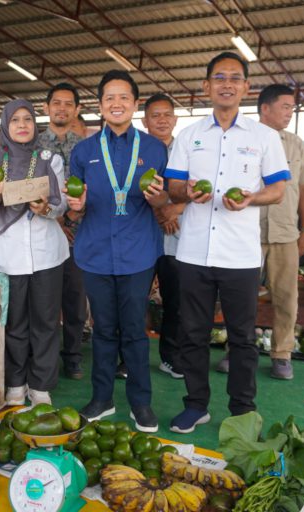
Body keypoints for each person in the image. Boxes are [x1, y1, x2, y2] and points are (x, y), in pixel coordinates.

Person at [166, 52, 289, 433]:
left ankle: (242, 411)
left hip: (240, 254)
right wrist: (186, 191)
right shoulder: (190, 135)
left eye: (235, 78)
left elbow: (279, 189)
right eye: (219, 77)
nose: (227, 84)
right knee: (192, 333)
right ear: (206, 86)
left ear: (246, 88)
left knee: (242, 337)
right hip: (194, 251)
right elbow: (172, 186)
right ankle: (195, 404)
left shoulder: (264, 137)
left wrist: (251, 198)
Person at [67, 70, 169, 432]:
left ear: (134, 104)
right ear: (100, 106)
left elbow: (167, 200)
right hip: (95, 252)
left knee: (135, 332)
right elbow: (72, 205)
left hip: (138, 253)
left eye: (123, 97)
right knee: (103, 330)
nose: (116, 104)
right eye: (109, 98)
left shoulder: (155, 148)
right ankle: (102, 399)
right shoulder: (84, 151)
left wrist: (162, 199)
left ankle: (141, 404)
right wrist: (74, 207)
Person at [0, 99, 68, 406]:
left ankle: (41, 385)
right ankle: (16, 383)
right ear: (5, 124)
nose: (22, 125)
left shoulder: (49, 158)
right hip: (6, 255)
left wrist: (47, 208)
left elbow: (62, 204)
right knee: (14, 322)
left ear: (34, 123)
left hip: (47, 254)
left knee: (45, 322)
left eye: (27, 119)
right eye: (15, 120)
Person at [254, 84, 304, 380]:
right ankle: (238, 349)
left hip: (285, 233)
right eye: (286, 106)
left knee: (286, 296)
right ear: (265, 108)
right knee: (240, 296)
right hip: (246, 233)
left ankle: (282, 354)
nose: (290, 112)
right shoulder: (244, 140)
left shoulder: (295, 144)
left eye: (292, 107)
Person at [37, 83, 86, 380]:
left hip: (80, 235)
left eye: (69, 104)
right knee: (44, 301)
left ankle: (73, 356)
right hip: (43, 231)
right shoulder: (32, 145)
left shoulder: (86, 146)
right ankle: (43, 357)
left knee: (75, 299)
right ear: (46, 108)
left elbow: (93, 184)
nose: (62, 108)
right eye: (56, 103)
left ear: (77, 110)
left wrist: (72, 214)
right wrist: (54, 218)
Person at [142, 93, 183, 379]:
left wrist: (174, 209)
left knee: (175, 300)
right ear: (145, 121)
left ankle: (171, 357)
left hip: (176, 238)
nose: (162, 120)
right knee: (134, 300)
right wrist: (160, 213)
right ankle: (128, 359)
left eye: (167, 114)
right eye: (155, 115)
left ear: (175, 119)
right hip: (142, 236)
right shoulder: (137, 150)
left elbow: (198, 187)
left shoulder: (188, 149)